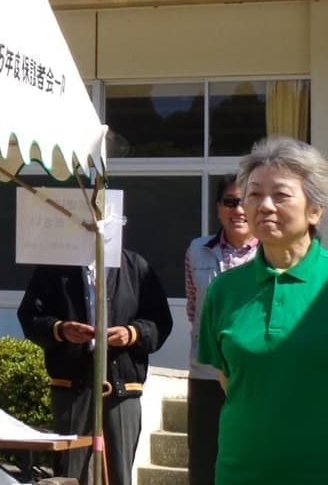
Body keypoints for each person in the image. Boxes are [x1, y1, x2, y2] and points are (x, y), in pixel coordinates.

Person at [197, 136, 328, 485]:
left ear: (315, 210)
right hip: (241, 471)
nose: (263, 206)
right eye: (253, 194)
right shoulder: (224, 290)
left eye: (281, 195)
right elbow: (233, 382)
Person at [17, 246, 173, 485]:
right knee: (69, 471)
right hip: (72, 385)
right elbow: (30, 316)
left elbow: (160, 321)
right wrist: (60, 329)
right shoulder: (55, 267)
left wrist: (133, 333)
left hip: (122, 386)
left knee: (119, 472)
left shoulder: (136, 266)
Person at [182, 174, 257, 485]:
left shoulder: (270, 254)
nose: (238, 210)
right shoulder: (197, 250)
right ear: (218, 208)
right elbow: (192, 307)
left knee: (251, 455)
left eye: (244, 202)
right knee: (203, 458)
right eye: (230, 202)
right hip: (206, 372)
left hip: (253, 373)